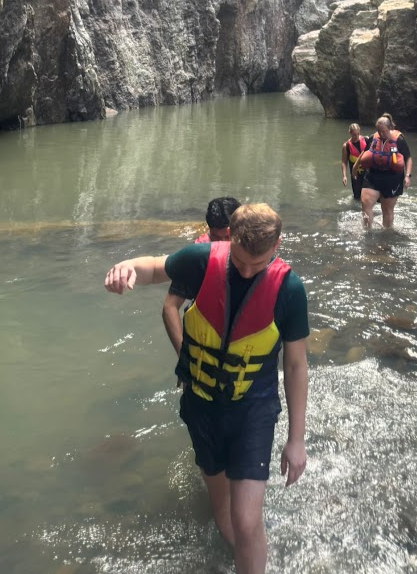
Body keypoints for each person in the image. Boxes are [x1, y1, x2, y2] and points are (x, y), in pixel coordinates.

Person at [104, 203, 309, 574]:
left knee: (246, 521)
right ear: (230, 239)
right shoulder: (201, 260)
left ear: (278, 244)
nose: (246, 271)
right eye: (240, 261)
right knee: (223, 514)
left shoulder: (289, 290)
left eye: (257, 264)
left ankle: (251, 555)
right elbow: (152, 266)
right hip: (201, 404)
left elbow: (295, 366)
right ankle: (245, 557)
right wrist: (125, 268)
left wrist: (296, 439)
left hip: (253, 410)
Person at [163, 197, 241, 358]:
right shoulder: (198, 257)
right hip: (205, 338)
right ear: (209, 231)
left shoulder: (255, 252)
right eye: (216, 238)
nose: (222, 245)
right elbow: (170, 307)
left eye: (228, 238)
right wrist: (183, 357)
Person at [352, 115, 412, 229]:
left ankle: (387, 234)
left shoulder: (399, 140)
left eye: (383, 131)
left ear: (390, 128)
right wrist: (355, 167)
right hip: (373, 175)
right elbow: (364, 153)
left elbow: (408, 158)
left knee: (387, 210)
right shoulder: (373, 138)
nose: (381, 134)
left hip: (392, 178)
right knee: (365, 204)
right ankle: (367, 231)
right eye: (378, 131)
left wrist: (408, 176)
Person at [341, 123, 369, 200]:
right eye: (354, 135)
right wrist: (344, 176)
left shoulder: (366, 140)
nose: (356, 137)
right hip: (355, 175)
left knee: (369, 195)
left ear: (359, 131)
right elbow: (344, 162)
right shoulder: (346, 146)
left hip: (367, 173)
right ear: (350, 133)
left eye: (357, 134)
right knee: (357, 197)